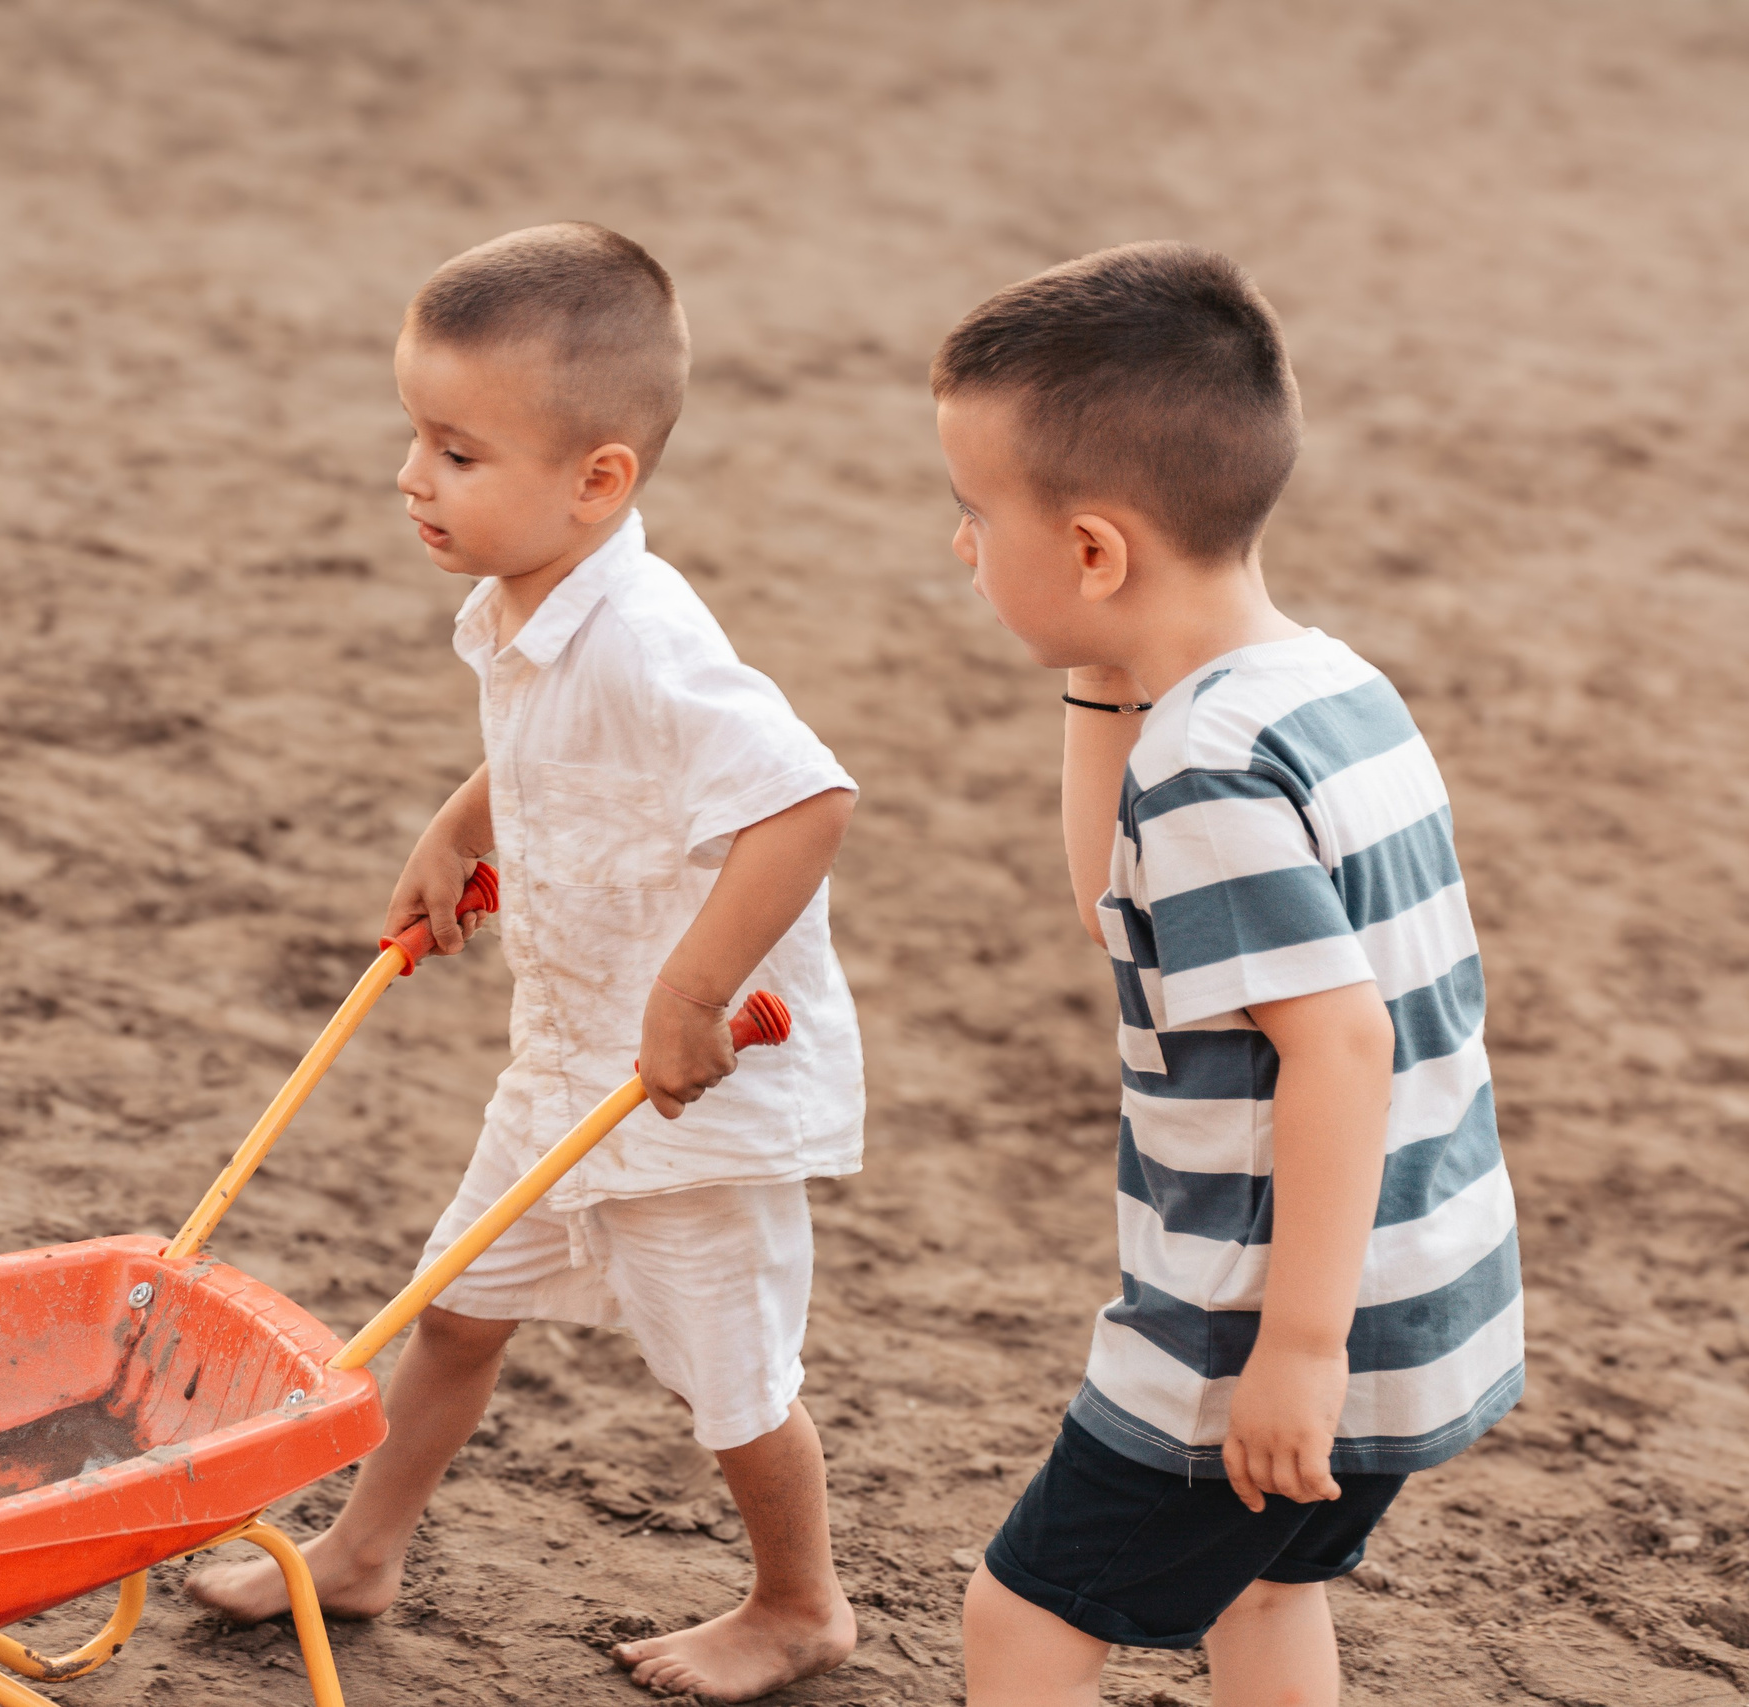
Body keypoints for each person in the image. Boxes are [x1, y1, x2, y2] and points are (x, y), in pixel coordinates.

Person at [187, 222, 865, 1702]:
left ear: (598, 480)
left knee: (731, 1379)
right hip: (566, 1052)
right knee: (458, 1310)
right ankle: (364, 1553)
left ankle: (800, 1605)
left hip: (693, 1086)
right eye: (414, 438)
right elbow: (536, 750)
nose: (413, 479)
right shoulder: (523, 604)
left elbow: (806, 804)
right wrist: (457, 828)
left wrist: (690, 995)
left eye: (456, 452)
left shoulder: (647, 641)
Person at [933, 243, 1522, 1704]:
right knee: (1261, 1594)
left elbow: (1339, 1049)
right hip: (1423, 1287)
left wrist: (1293, 1352)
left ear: (1092, 550)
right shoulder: (1322, 687)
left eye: (972, 514)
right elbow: (1108, 905)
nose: (960, 547)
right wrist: (1096, 673)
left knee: (1021, 1622)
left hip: (1256, 1318)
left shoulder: (1207, 767)